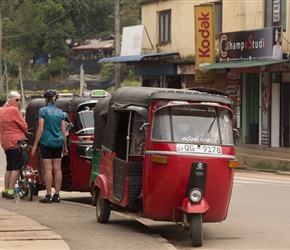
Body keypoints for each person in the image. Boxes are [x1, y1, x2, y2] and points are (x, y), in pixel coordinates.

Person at [31, 89, 68, 203]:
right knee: (57, 169)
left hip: (46, 142)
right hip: (58, 142)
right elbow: (63, 131)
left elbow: (40, 128)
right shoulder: (61, 113)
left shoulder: (43, 111)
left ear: (46, 100)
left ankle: (48, 195)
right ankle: (57, 194)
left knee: (48, 169)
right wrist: (65, 147)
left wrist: (35, 144)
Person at [0, 91, 28, 199]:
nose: (19, 102)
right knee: (16, 167)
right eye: (17, 100)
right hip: (15, 141)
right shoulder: (14, 110)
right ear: (10, 99)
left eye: (20, 100)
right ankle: (11, 190)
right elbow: (23, 125)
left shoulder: (2, 111)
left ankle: (6, 189)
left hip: (5, 142)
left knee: (9, 167)